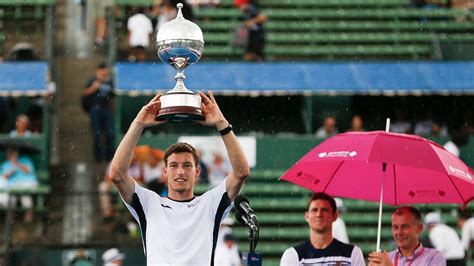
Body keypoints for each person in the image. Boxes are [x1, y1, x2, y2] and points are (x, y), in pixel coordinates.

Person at [109, 91, 250, 264]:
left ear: (197, 171)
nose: (181, 171)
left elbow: (241, 172)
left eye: (187, 165)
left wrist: (222, 123)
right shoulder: (148, 203)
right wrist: (138, 124)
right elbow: (116, 174)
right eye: (174, 166)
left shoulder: (211, 203)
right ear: (165, 172)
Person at [280, 192, 365, 265]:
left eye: (324, 210)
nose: (319, 214)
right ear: (307, 216)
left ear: (335, 216)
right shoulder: (292, 255)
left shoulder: (353, 254)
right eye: (314, 210)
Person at [368, 206, 446, 266]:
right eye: (395, 227)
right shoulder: (385, 259)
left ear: (419, 228)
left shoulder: (434, 257)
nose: (399, 232)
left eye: (405, 226)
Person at [82, 63, 115, 162]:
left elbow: (113, 96)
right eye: (102, 70)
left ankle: (109, 158)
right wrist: (94, 87)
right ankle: (98, 158)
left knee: (110, 134)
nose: (104, 72)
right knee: (97, 135)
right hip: (95, 109)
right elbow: (85, 93)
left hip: (106, 109)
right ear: (98, 71)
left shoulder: (109, 82)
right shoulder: (92, 81)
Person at [0, 147, 38, 222]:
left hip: (26, 184)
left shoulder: (25, 160)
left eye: (12, 153)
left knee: (25, 197)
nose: (10, 155)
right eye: (9, 153)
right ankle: (11, 216)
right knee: (10, 198)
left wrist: (17, 163)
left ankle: (29, 215)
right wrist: (9, 173)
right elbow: (3, 177)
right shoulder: (6, 163)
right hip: (12, 186)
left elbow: (29, 170)